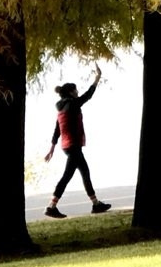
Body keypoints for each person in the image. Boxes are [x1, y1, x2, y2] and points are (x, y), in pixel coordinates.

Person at [44, 64, 111, 218]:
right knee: (67, 176)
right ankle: (51, 207)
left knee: (85, 172)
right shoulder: (72, 104)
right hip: (73, 145)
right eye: (75, 90)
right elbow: (88, 95)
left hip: (68, 146)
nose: (77, 92)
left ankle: (96, 204)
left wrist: (52, 149)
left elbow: (57, 130)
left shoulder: (61, 109)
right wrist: (97, 77)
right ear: (70, 92)